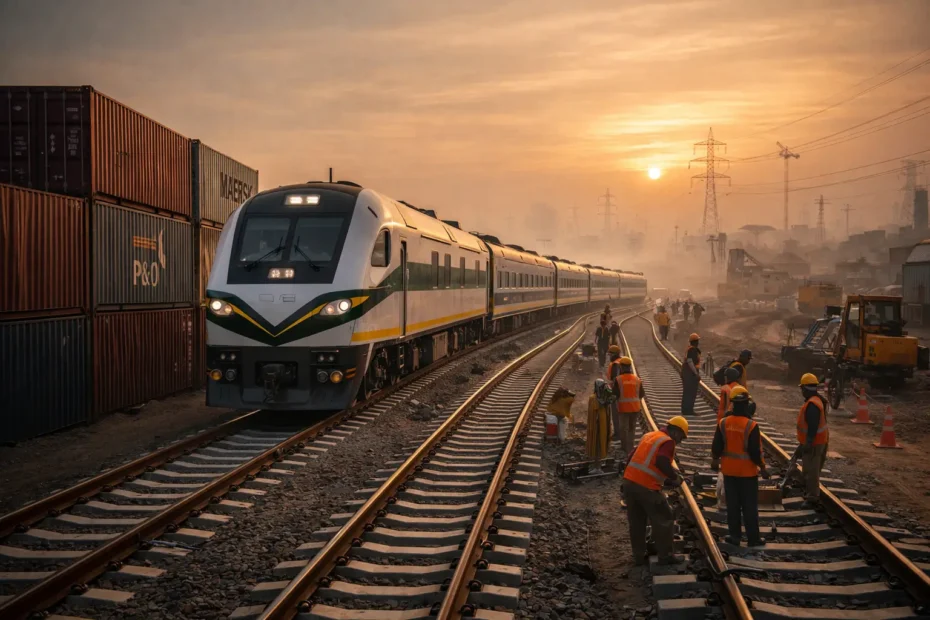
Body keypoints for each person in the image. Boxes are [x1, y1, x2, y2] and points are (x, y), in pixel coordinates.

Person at [622, 416, 689, 566]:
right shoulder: (668, 441)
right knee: (664, 518)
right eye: (681, 437)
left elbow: (631, 456)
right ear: (676, 432)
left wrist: (627, 479)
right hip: (646, 487)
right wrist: (674, 477)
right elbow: (661, 461)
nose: (680, 441)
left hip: (630, 482)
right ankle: (665, 556)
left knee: (637, 521)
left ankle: (638, 557)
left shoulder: (650, 436)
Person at [711, 386, 769, 547]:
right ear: (746, 404)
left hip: (729, 472)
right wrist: (763, 467)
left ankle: (735, 537)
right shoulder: (751, 425)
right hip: (747, 473)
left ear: (732, 404)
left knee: (733, 506)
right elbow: (755, 451)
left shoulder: (723, 423)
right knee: (749, 507)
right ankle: (753, 539)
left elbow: (716, 447)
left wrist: (715, 459)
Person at [797, 373, 829, 506]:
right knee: (812, 469)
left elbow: (813, 426)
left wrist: (808, 443)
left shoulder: (812, 405)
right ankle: (810, 492)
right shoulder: (818, 400)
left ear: (805, 388)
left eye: (802, 389)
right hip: (820, 441)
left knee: (811, 471)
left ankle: (812, 498)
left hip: (815, 442)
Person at [612, 356, 645, 456]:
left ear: (621, 367)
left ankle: (625, 448)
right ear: (630, 367)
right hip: (635, 408)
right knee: (632, 429)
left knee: (623, 429)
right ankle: (630, 448)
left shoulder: (618, 380)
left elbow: (615, 394)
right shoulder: (637, 379)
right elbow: (641, 394)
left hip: (623, 409)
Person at [586, 379, 613, 470]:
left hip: (597, 426)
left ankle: (597, 467)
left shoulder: (594, 398)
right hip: (602, 426)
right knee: (600, 444)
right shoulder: (605, 399)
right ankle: (597, 465)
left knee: (597, 444)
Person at [680, 333, 701, 416]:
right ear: (695, 341)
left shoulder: (690, 349)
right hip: (690, 374)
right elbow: (690, 361)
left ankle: (686, 410)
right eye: (697, 341)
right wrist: (696, 373)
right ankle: (688, 410)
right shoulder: (692, 350)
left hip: (687, 373)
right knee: (690, 392)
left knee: (687, 392)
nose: (698, 342)